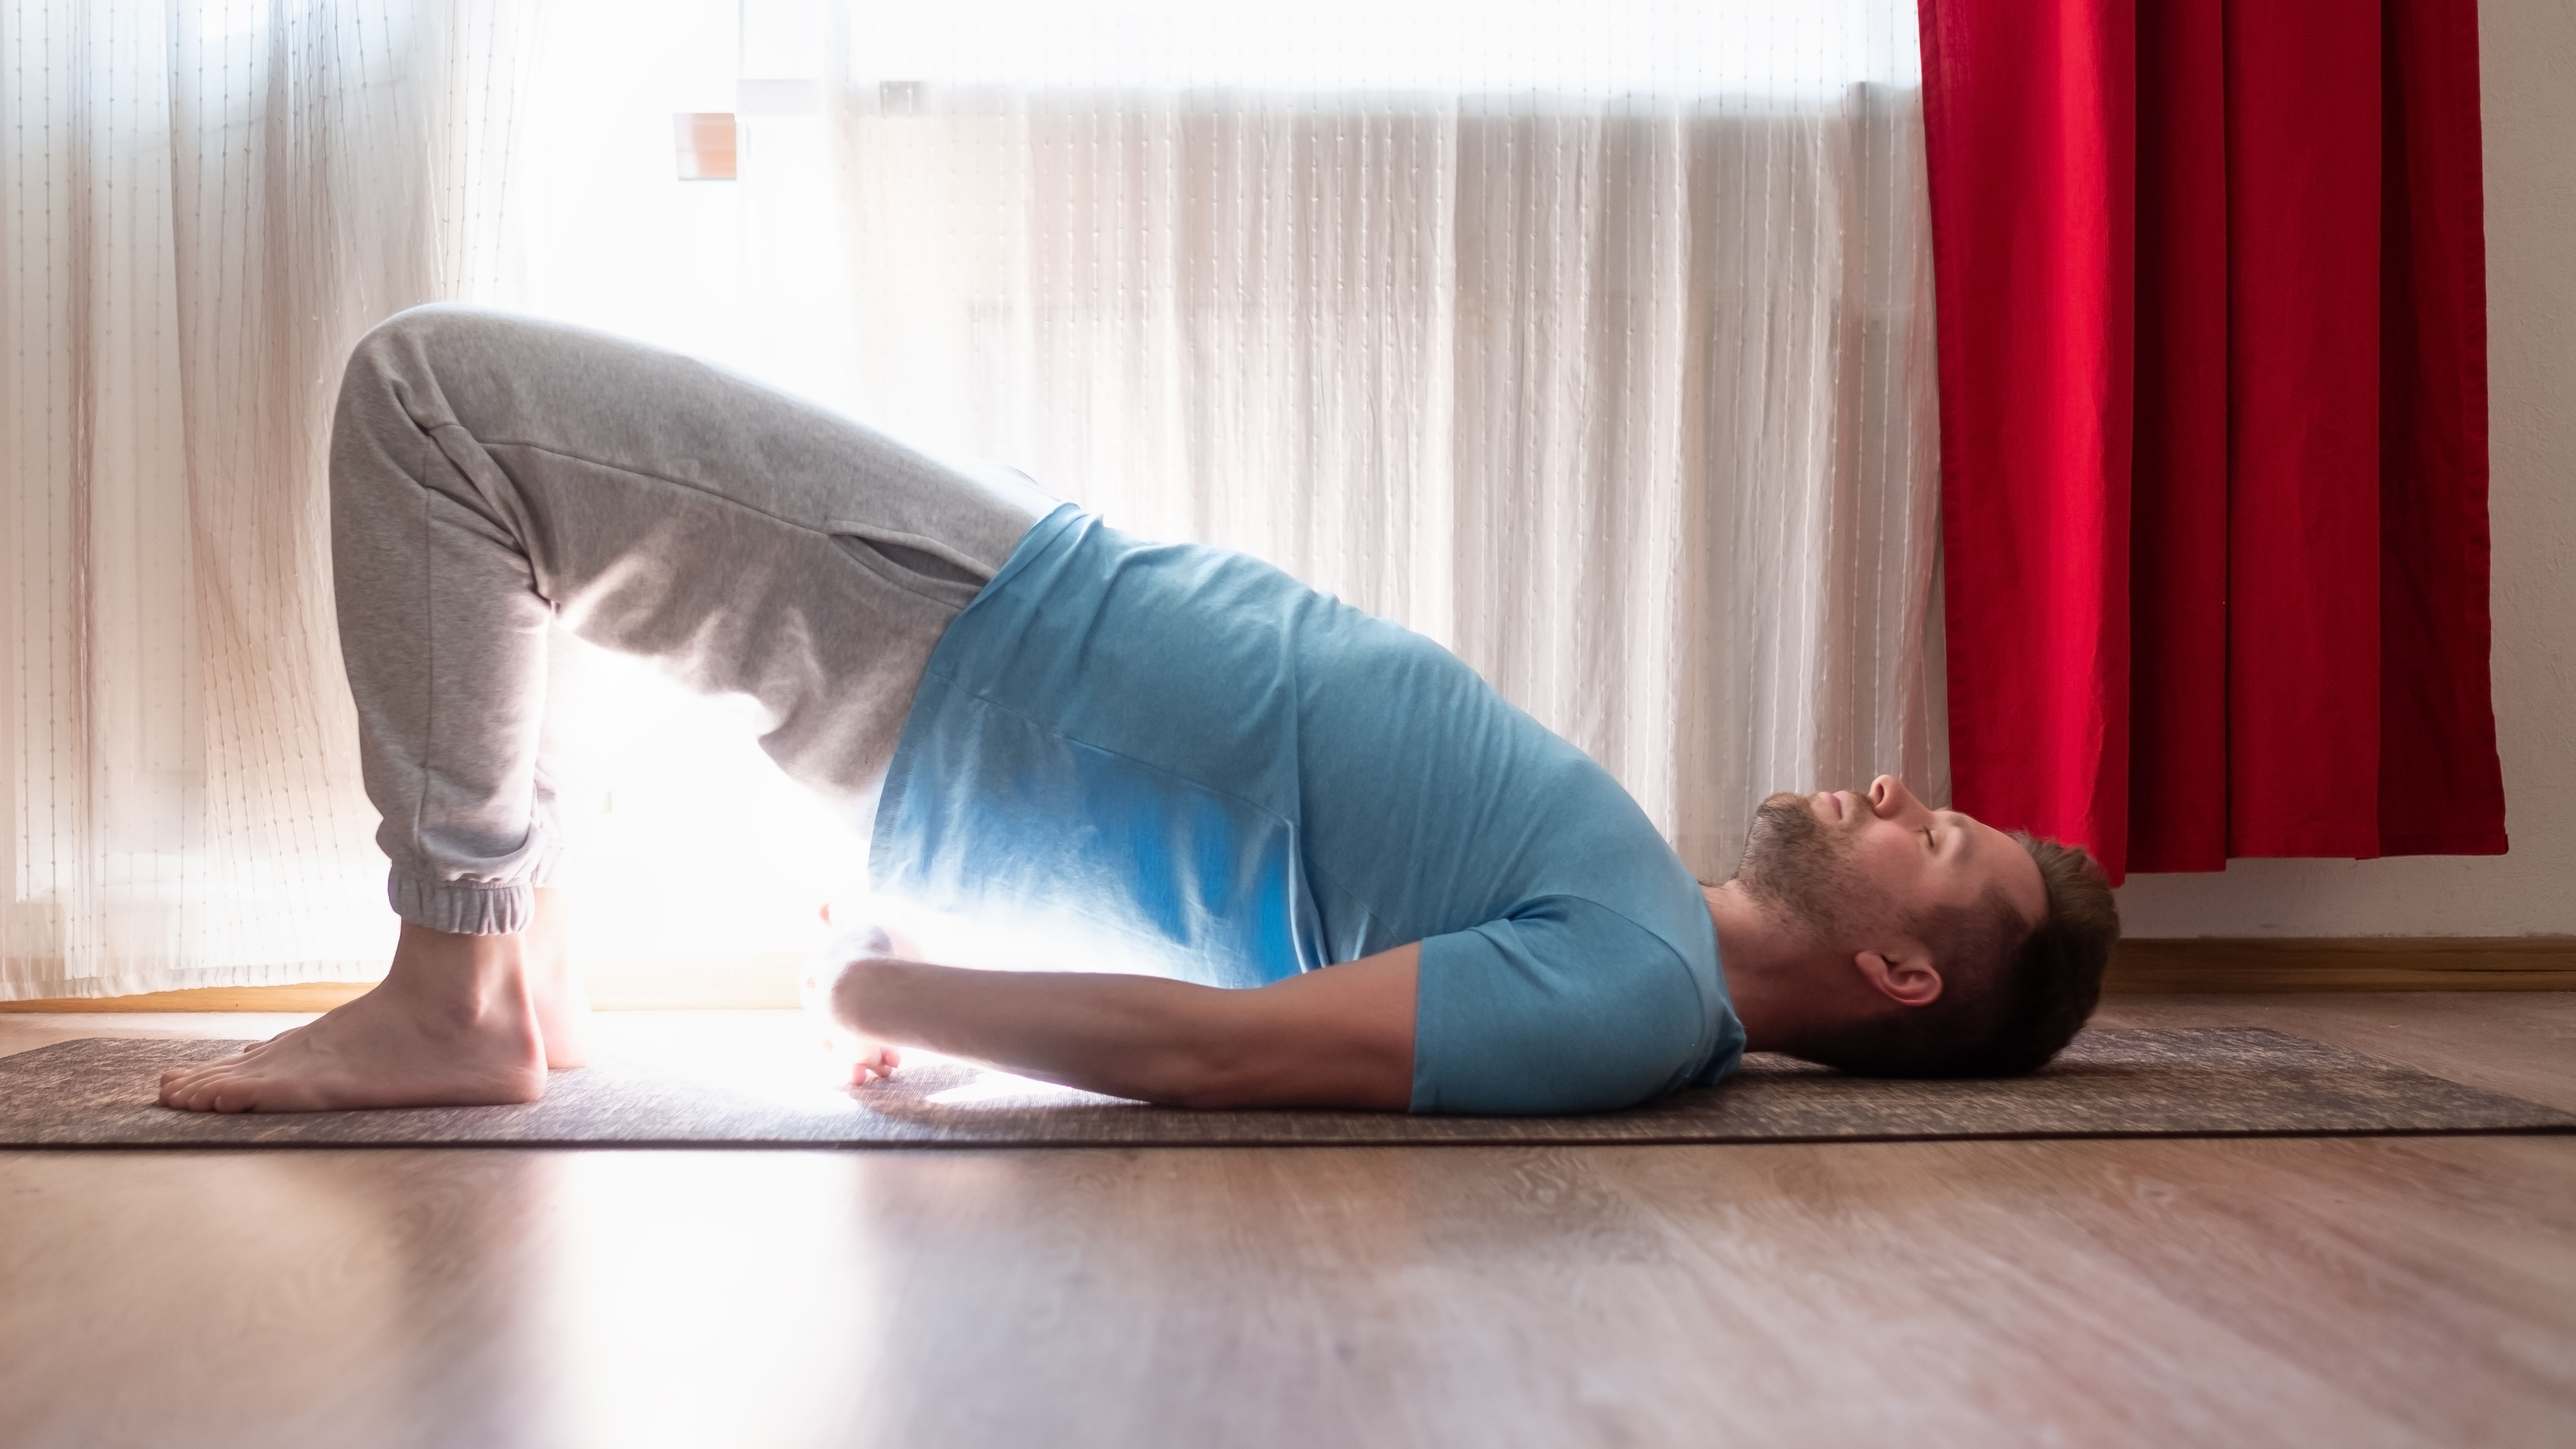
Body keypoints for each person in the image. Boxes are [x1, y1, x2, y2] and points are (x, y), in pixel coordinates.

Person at [157, 306, 2119, 1117]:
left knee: (433, 401)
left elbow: (1227, 1045)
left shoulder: (1629, 992)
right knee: (503, 468)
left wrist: (888, 1004)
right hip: (1005, 632)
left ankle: (462, 987)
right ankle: (515, 980)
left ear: (1897, 972)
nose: (1891, 787)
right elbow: (1256, 892)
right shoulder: (1640, 938)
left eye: (1929, 833)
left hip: (981, 646)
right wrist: (938, 960)